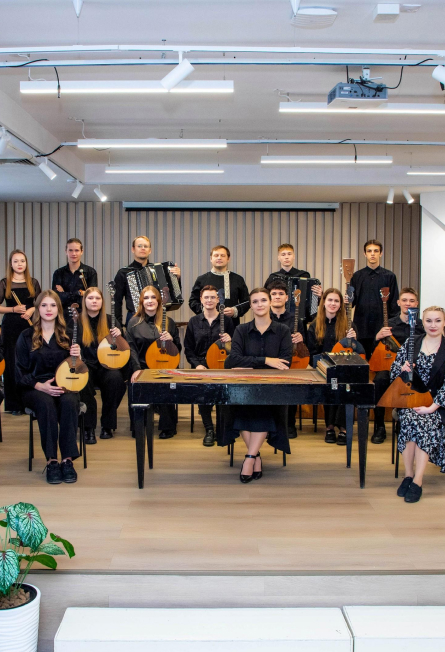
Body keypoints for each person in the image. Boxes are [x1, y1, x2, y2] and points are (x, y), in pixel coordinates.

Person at [221, 287, 293, 483]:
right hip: (245, 386)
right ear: (250, 306)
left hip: (272, 388)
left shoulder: (283, 331)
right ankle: (255, 456)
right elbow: (233, 360)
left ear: (270, 302)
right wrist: (267, 360)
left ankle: (250, 458)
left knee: (262, 407)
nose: (259, 304)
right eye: (255, 302)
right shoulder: (241, 330)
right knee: (239, 407)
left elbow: (285, 362)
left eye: (263, 300)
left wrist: (249, 363)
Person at [15, 290, 81, 484]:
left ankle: (67, 460)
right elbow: (18, 372)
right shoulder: (26, 336)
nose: (48, 309)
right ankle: (52, 461)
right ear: (37, 309)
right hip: (34, 386)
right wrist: (40, 386)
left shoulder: (68, 335)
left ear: (58, 309)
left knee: (70, 402)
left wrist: (78, 357)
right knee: (46, 404)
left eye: (52, 305)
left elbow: (78, 370)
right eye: (44, 305)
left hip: (64, 385)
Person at [392, 306, 445, 503]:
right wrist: (403, 368)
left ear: (444, 323)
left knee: (424, 421)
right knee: (409, 418)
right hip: (411, 400)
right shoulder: (412, 342)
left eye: (438, 321)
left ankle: (418, 481)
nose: (433, 325)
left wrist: (432, 407)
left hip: (437, 404)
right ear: (423, 322)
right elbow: (394, 370)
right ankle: (408, 475)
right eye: (429, 321)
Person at [73, 287, 127, 445]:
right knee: (83, 381)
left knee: (116, 379)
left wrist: (120, 336)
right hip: (86, 364)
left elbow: (122, 348)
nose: (94, 301)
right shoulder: (77, 321)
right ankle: (88, 427)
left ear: (102, 301)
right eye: (90, 298)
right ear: (84, 301)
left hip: (106, 366)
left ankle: (107, 425)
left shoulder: (110, 321)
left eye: (97, 298)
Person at [127, 285, 182, 439]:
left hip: (164, 366)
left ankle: (167, 426)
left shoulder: (169, 322)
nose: (150, 301)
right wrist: (136, 369)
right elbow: (131, 348)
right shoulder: (133, 323)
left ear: (159, 301)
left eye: (153, 297)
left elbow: (178, 349)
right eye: (146, 298)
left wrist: (171, 341)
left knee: (167, 384)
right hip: (142, 367)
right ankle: (139, 424)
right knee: (135, 384)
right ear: (141, 302)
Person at [372, 287, 424, 444]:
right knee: (380, 380)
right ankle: (379, 426)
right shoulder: (389, 324)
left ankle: (404, 422)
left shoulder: (422, 325)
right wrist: (377, 337)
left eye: (412, 301)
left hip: (414, 368)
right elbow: (377, 349)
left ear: (417, 303)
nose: (408, 303)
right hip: (391, 367)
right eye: (405, 300)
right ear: (398, 302)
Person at [184, 285, 234, 446]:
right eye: (206, 297)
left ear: (218, 300)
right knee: (204, 394)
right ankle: (209, 429)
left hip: (222, 364)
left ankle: (222, 428)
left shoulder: (227, 321)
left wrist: (230, 341)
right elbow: (188, 349)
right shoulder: (194, 322)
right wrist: (197, 365)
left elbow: (235, 349)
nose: (209, 300)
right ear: (201, 299)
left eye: (213, 297)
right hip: (201, 365)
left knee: (223, 394)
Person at [307, 288, 358, 445]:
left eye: (336, 301)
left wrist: (354, 340)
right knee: (331, 384)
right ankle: (329, 427)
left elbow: (356, 352)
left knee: (345, 385)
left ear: (341, 304)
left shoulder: (348, 325)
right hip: (323, 367)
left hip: (344, 367)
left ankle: (343, 427)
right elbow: (312, 353)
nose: (333, 303)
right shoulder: (314, 325)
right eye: (330, 300)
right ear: (323, 302)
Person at [0, 249, 41, 415]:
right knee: (12, 362)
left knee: (30, 361)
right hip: (10, 327)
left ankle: (30, 402)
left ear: (26, 263)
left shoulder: (33, 282)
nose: (19, 264)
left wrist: (32, 310)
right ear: (11, 264)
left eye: (22, 261)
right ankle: (14, 404)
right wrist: (13, 309)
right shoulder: (4, 283)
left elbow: (41, 303)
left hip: (29, 325)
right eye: (16, 261)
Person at [346, 239, 399, 360]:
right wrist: (347, 300)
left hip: (381, 328)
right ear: (365, 254)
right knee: (361, 362)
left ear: (381, 253)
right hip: (361, 328)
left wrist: (391, 328)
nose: (373, 254)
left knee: (380, 363)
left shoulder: (390, 276)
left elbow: (394, 306)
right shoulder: (356, 276)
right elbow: (351, 304)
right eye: (369, 251)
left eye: (376, 251)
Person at [114, 235, 181, 326]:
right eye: (139, 246)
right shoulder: (123, 272)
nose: (143, 248)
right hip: (134, 316)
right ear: (133, 249)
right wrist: (118, 326)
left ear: (150, 250)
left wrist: (176, 279)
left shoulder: (159, 270)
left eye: (146, 246)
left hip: (156, 317)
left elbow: (171, 296)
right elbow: (117, 302)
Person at [268, 279, 306, 438]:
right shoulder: (263, 318)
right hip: (269, 363)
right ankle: (269, 424)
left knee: (291, 389)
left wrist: (301, 339)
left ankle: (290, 423)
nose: (277, 296)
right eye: (274, 294)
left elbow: (304, 348)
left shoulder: (295, 320)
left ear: (287, 298)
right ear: (269, 297)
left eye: (281, 293)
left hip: (290, 363)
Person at [189, 246, 250, 328]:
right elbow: (193, 302)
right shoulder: (202, 279)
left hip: (232, 326)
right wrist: (207, 310)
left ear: (228, 259)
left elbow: (247, 302)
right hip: (207, 327)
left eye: (222, 255)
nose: (219, 258)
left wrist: (235, 311)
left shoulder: (238, 279)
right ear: (211, 259)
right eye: (216, 255)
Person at [264, 243, 322, 309]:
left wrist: (319, 295)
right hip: (278, 313)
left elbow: (312, 301)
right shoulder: (273, 277)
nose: (286, 257)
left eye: (289, 254)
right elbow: (265, 297)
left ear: (294, 256)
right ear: (278, 258)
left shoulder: (304, 275)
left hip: (300, 312)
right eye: (283, 254)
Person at [52, 238, 98, 318]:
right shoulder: (58, 273)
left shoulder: (91, 272)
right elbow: (57, 298)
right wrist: (80, 293)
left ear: (81, 252)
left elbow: (91, 297)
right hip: (63, 315)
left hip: (85, 315)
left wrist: (64, 293)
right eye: (70, 250)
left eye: (76, 250)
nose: (73, 253)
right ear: (66, 251)